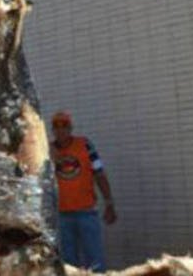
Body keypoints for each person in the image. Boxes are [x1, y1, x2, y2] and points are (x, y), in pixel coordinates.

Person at [50, 111, 117, 272]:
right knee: (69, 263)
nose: (61, 130)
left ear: (71, 128)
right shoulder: (48, 151)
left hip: (86, 211)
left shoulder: (85, 145)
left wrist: (109, 202)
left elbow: (99, 173)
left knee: (95, 260)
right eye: (57, 127)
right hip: (62, 214)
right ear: (53, 130)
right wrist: (48, 155)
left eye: (64, 126)